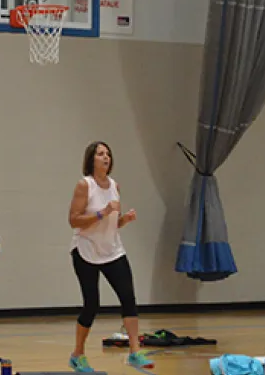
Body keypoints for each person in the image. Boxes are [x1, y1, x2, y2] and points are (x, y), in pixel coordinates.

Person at [66, 141, 154, 372]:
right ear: (91, 159)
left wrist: (124, 219)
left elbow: (113, 224)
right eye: (100, 154)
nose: (105, 157)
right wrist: (100, 213)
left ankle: (135, 352)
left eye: (108, 154)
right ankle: (78, 354)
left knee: (128, 298)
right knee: (91, 304)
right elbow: (74, 220)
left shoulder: (115, 185)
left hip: (113, 250)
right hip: (85, 250)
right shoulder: (84, 185)